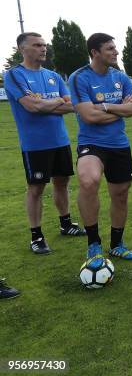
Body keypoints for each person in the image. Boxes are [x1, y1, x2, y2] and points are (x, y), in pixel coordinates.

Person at [3, 32, 85, 255]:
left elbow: (72, 105)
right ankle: (36, 236)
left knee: (62, 182)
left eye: (44, 45)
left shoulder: (53, 76)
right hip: (35, 144)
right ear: (22, 49)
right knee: (36, 188)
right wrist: (55, 101)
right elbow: (32, 107)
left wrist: (48, 103)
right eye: (37, 45)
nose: (43, 48)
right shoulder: (14, 75)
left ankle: (66, 224)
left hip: (60, 140)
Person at [68, 33, 132, 269]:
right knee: (88, 182)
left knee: (120, 194)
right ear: (95, 53)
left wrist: (107, 107)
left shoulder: (121, 77)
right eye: (110, 49)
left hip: (119, 144)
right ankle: (94, 244)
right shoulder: (79, 77)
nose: (116, 52)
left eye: (115, 47)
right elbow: (88, 116)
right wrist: (121, 110)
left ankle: (117, 244)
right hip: (92, 143)